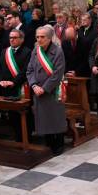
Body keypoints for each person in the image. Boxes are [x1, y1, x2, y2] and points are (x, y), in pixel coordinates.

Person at [26, 25, 67, 155]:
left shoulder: (58, 51)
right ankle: (48, 141)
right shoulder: (35, 50)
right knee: (43, 117)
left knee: (55, 117)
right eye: (37, 37)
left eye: (42, 37)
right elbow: (30, 70)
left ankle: (59, 143)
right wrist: (33, 85)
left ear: (49, 38)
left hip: (52, 90)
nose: (39, 39)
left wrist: (44, 88)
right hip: (37, 90)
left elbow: (57, 74)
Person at [0, 29, 32, 141]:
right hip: (7, 88)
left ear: (21, 39)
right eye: (10, 37)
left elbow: (26, 70)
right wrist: (0, 80)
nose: (12, 40)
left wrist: (14, 82)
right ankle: (17, 136)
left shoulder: (27, 52)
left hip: (21, 87)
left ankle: (27, 137)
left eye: (14, 37)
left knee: (24, 114)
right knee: (12, 115)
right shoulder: (5, 51)